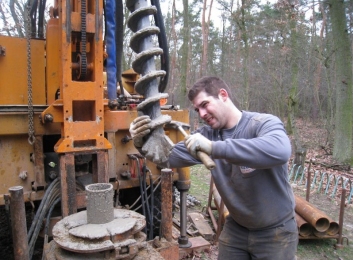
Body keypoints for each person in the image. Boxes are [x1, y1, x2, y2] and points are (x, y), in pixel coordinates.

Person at [129, 76, 298, 260]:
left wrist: (214, 148)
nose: (201, 114)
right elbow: (167, 158)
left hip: (276, 231)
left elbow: (280, 151)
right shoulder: (207, 135)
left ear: (223, 95)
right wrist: (142, 143)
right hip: (237, 228)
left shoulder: (261, 124)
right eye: (197, 109)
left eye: (205, 104)